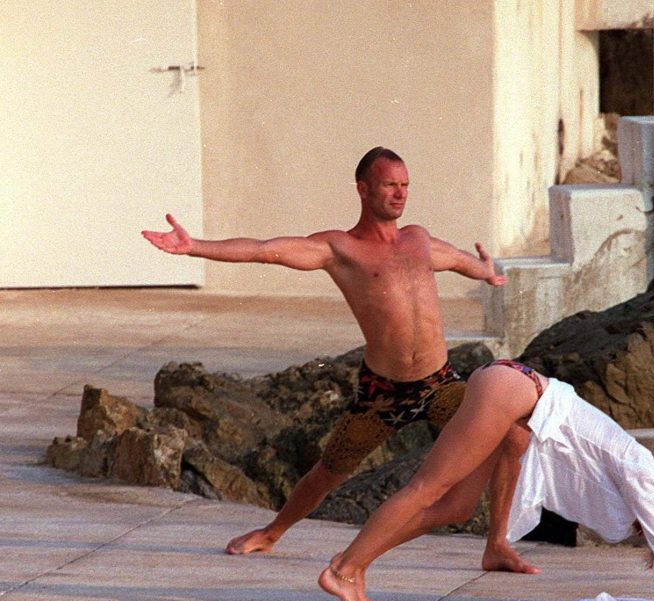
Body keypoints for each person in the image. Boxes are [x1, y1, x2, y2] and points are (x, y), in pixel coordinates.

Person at [142, 147, 538, 574]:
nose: (400, 194)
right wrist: (195, 247)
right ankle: (272, 532)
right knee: (331, 469)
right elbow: (264, 249)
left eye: (405, 186)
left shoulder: (417, 241)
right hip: (383, 392)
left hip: (439, 383)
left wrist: (485, 270)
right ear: (363, 189)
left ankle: (496, 543)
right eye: (390, 185)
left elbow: (459, 260)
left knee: (513, 435)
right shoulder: (340, 249)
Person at [319, 360, 654, 601]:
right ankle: (341, 570)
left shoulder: (652, 493)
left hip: (520, 403)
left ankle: (361, 564)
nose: (643, 539)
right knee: (426, 488)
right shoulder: (642, 477)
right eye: (647, 534)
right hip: (514, 390)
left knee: (455, 508)